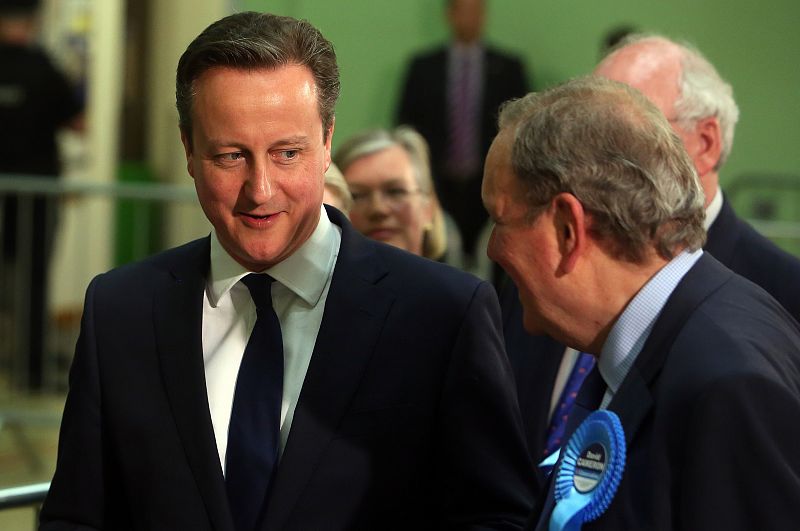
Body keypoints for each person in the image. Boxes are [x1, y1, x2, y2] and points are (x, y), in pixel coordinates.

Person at [40, 11, 534, 531]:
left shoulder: (442, 315)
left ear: (327, 142)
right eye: (231, 156)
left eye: (287, 153)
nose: (261, 190)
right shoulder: (121, 312)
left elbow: (495, 518)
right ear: (189, 150)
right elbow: (78, 517)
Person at [482, 75, 800, 530]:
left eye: (499, 218)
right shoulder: (657, 339)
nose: (493, 249)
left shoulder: (728, 383)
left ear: (568, 229)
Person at [397, 0, 528, 266]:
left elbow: (523, 128)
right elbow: (406, 128)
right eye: (464, 9)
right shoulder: (423, 67)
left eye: (477, 10)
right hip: (437, 184)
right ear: (450, 14)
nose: (471, 17)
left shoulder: (508, 67)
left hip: (491, 182)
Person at [0, 0, 84, 390]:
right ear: (32, 21)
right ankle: (30, 372)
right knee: (33, 282)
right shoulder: (44, 69)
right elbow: (77, 121)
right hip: (36, 196)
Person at [334, 126, 452, 262]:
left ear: (429, 207)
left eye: (395, 191)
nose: (378, 209)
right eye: (356, 196)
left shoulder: (460, 283)